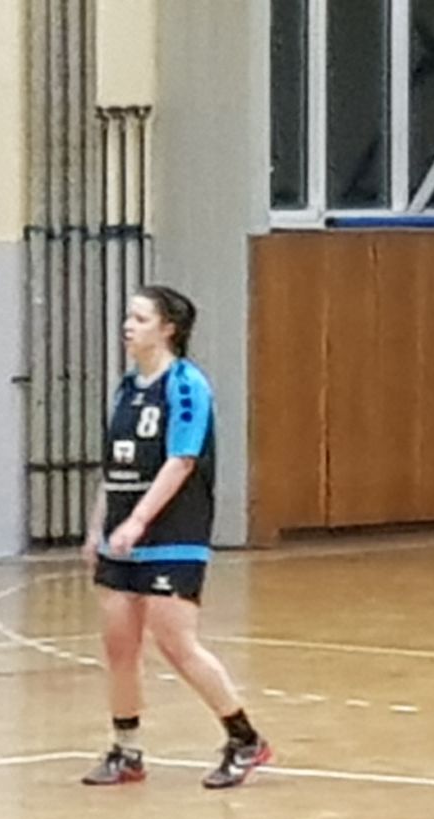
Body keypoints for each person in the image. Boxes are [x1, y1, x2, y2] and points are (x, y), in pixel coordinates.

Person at [80, 285, 272, 789]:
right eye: (128, 317)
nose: (128, 326)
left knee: (175, 643)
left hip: (172, 531)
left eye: (140, 318)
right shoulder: (127, 388)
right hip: (121, 535)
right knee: (119, 646)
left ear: (169, 329)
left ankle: (244, 739)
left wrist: (139, 521)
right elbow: (114, 467)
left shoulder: (186, 385)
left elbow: (181, 460)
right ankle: (127, 750)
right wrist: (98, 526)